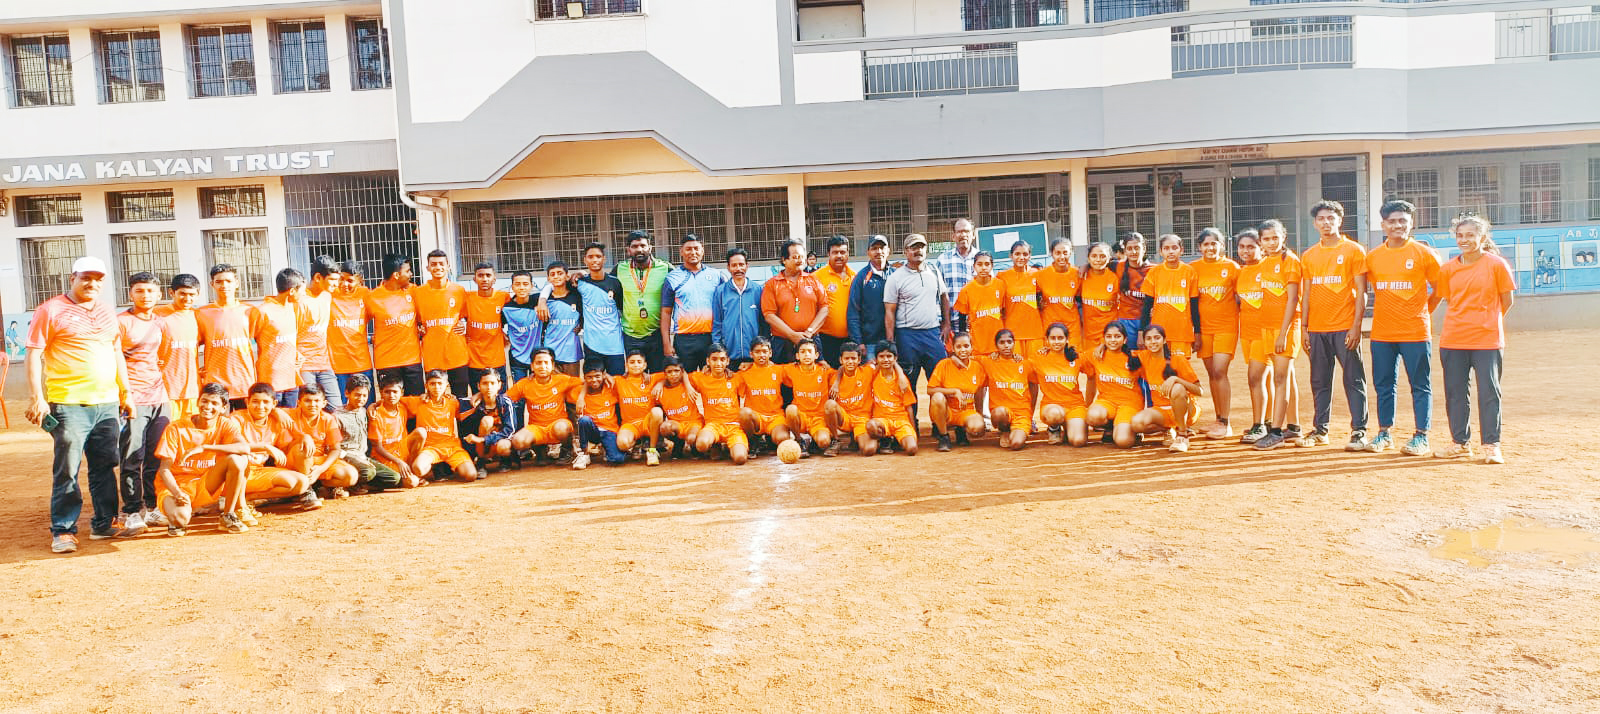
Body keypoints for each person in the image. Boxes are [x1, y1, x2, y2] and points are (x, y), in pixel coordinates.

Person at [28, 256, 130, 552]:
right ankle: (63, 530)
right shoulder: (50, 310)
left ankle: (104, 523)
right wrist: (38, 398)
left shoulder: (107, 311)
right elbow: (33, 353)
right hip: (69, 403)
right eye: (86, 277)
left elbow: (116, 351)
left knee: (105, 465)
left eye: (98, 279)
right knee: (67, 468)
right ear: (73, 278)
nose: (92, 283)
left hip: (107, 402)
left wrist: (126, 392)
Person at [1364, 199, 1442, 456]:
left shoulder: (1424, 253)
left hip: (1415, 332)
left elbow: (1440, 289)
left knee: (1420, 385)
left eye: (1402, 221)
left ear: (1411, 223)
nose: (1397, 225)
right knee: (1384, 385)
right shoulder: (1373, 257)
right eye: (1392, 221)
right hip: (1382, 333)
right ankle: (1384, 433)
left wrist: (1423, 311)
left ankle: (1421, 436)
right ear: (1383, 225)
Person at [1434, 214, 1514, 464]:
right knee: (1456, 393)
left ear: (1482, 237)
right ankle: (1460, 443)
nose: (1464, 240)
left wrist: (1487, 321)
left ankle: (1491, 446)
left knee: (1489, 392)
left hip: (1487, 341)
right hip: (1453, 339)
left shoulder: (1496, 265)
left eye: (1470, 235)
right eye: (1460, 235)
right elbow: (1450, 299)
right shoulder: (1448, 269)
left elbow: (1507, 300)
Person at [1298, 200, 1369, 450]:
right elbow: (1306, 294)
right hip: (1317, 329)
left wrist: (1356, 326)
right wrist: (1304, 328)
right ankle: (1320, 430)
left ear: (1340, 219)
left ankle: (1359, 431)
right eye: (1321, 219)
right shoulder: (1309, 255)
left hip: (1344, 327)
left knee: (1353, 379)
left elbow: (1362, 292)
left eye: (1331, 218)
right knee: (1319, 381)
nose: (1326, 222)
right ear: (1315, 223)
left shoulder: (1354, 250)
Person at [153, 382, 252, 536]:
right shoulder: (176, 428)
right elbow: (164, 469)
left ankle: (228, 514)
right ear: (198, 402)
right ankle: (175, 514)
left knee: (238, 460)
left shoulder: (225, 424)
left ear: (223, 408)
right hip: (177, 485)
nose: (208, 406)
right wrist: (177, 492)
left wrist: (205, 448)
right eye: (204, 401)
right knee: (180, 519)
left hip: (205, 482)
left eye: (214, 403)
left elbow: (244, 448)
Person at [116, 271, 172, 537]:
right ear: (130, 293)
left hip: (159, 398)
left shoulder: (161, 323)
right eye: (139, 290)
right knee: (131, 457)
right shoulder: (121, 323)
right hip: (133, 400)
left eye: (150, 291)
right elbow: (114, 360)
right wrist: (124, 394)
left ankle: (151, 507)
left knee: (155, 457)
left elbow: (163, 357)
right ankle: (131, 512)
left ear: (159, 294)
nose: (145, 295)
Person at [883, 233, 951, 432]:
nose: (918, 251)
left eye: (921, 247)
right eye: (913, 247)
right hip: (907, 335)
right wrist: (890, 342)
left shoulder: (934, 271)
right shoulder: (896, 278)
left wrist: (946, 323)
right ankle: (911, 427)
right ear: (906, 251)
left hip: (932, 333)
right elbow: (889, 311)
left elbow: (944, 297)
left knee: (939, 381)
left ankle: (940, 428)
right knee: (908, 384)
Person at [1249, 220, 1305, 451]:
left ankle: (1276, 432)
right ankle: (1294, 426)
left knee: (1280, 379)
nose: (1271, 242)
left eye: (1275, 238)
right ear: (1260, 242)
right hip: (1267, 327)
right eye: (1266, 239)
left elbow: (1292, 300)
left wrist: (1283, 333)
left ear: (1283, 237)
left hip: (1285, 329)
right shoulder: (1264, 263)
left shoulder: (1290, 261)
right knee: (1287, 377)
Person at [230, 382, 319, 516]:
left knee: (302, 481)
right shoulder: (236, 418)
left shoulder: (275, 420)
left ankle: (250, 498)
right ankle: (234, 497)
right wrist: (265, 447)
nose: (260, 406)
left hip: (259, 471)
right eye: (255, 402)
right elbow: (234, 446)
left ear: (274, 404)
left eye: (266, 402)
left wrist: (305, 437)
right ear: (247, 402)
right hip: (239, 473)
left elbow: (292, 441)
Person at [1192, 229, 1240, 439]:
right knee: (1212, 374)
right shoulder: (1194, 269)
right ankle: (1218, 418)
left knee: (1220, 371)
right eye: (1206, 244)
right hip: (1204, 330)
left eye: (1214, 243)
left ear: (1222, 245)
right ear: (1199, 247)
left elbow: (1243, 295)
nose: (1210, 248)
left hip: (1226, 327)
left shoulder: (1232, 267)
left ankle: (1226, 423)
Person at [196, 263, 263, 404]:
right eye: (219, 282)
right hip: (216, 384)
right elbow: (192, 345)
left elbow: (266, 341)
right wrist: (196, 368)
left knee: (243, 419)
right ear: (212, 284)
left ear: (237, 283)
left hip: (244, 383)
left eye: (228, 281)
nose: (224, 285)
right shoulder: (202, 313)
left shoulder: (250, 311)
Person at [1131, 325, 1204, 453]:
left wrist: (1176, 379)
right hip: (1162, 411)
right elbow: (1120, 351)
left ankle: (1182, 436)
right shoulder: (1144, 357)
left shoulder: (1177, 359)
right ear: (1144, 342)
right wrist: (1102, 345)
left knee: (1177, 388)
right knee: (1136, 424)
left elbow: (1200, 391)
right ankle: (1169, 429)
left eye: (1157, 338)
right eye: (1148, 339)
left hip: (1186, 410)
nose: (1153, 342)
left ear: (1164, 340)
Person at [1234, 229, 1275, 444]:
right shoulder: (1240, 272)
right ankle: (1268, 422)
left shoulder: (1268, 267)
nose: (1246, 251)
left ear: (1261, 247)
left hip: (1265, 332)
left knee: (1255, 378)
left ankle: (1258, 425)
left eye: (1251, 246)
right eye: (1242, 247)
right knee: (1264, 379)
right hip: (1247, 332)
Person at [661, 235, 725, 372]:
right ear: (681, 251)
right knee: (685, 378)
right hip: (684, 339)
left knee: (710, 378)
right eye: (688, 249)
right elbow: (666, 312)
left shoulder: (717, 276)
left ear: (703, 250)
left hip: (711, 337)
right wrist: (667, 344)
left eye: (696, 248)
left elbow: (725, 308)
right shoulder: (672, 278)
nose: (693, 252)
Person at [400, 370, 478, 481]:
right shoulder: (419, 402)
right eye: (432, 384)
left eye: (440, 383)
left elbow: (475, 401)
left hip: (451, 447)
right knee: (418, 468)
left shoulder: (453, 402)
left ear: (446, 385)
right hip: (430, 449)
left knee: (471, 475)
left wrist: (479, 394)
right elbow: (393, 399)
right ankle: (432, 467)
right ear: (426, 385)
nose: (436, 387)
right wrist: (375, 405)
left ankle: (452, 467)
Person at [508, 348, 581, 464]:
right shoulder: (524, 384)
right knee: (518, 441)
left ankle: (566, 450)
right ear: (532, 366)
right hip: (536, 428)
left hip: (557, 425)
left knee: (562, 428)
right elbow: (505, 399)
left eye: (546, 363)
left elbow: (586, 383)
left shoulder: (562, 380)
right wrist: (482, 395)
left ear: (553, 366)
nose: (542, 366)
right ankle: (540, 450)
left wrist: (582, 397)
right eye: (538, 363)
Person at [761, 239, 828, 365]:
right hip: (782, 342)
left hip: (811, 340)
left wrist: (809, 332)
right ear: (784, 260)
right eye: (796, 257)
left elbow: (824, 308)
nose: (800, 260)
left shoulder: (813, 280)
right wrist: (791, 334)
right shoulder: (772, 284)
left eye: (802, 257)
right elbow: (769, 314)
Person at [286, 385, 360, 497]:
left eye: (316, 401)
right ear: (299, 402)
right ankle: (306, 492)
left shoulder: (328, 419)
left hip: (318, 460)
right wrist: (303, 437)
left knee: (351, 476)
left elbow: (335, 449)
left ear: (324, 403)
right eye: (307, 401)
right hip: (295, 460)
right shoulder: (289, 415)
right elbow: (271, 408)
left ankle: (319, 486)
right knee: (303, 448)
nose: (312, 404)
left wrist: (321, 469)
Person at [332, 374, 401, 493]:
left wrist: (374, 404)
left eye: (364, 395)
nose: (361, 398)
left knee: (394, 478)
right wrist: (355, 459)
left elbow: (386, 401)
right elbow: (333, 448)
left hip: (363, 457)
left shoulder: (364, 411)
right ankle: (342, 484)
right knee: (368, 472)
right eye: (357, 395)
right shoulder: (337, 417)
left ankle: (362, 484)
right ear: (347, 393)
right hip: (345, 458)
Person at [367, 253, 424, 395]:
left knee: (415, 404)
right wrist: (368, 338)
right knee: (390, 404)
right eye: (408, 271)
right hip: (387, 362)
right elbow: (359, 323)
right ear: (396, 275)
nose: (411, 274)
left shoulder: (414, 291)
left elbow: (425, 316)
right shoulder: (373, 297)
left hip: (412, 360)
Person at [616, 230, 672, 372]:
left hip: (656, 334)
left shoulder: (665, 268)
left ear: (650, 248)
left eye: (643, 245)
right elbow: (603, 283)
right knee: (635, 377)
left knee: (657, 377)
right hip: (630, 335)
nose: (639, 249)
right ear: (628, 250)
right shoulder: (619, 269)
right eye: (634, 246)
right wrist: (582, 275)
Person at [416, 249, 471, 396]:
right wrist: (419, 329)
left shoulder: (459, 291)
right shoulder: (418, 293)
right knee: (435, 399)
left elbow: (467, 317)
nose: (438, 267)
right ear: (427, 267)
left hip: (457, 355)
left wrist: (465, 325)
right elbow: (415, 321)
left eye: (441, 264)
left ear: (448, 266)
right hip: (432, 357)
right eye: (433, 264)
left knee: (461, 399)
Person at [1083, 322, 1143, 449]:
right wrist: (1047, 350)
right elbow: (1069, 358)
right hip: (1107, 402)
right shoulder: (1096, 355)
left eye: (1117, 336)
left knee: (1123, 441)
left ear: (1125, 339)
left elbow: (1157, 360)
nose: (1113, 340)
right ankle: (1110, 427)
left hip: (1129, 404)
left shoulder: (1135, 357)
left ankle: (1131, 429)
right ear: (1104, 339)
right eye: (1109, 336)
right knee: (1092, 416)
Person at [1140, 235, 1200, 358]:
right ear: (1161, 251)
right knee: (1160, 367)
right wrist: (1141, 332)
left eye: (1174, 248)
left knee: (1179, 368)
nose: (1171, 251)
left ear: (1181, 250)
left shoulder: (1189, 272)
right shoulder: (1154, 272)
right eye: (1166, 248)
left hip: (1182, 333)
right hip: (1158, 334)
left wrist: (1197, 333)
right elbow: (1146, 306)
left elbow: (1194, 307)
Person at [1030, 322, 1089, 447]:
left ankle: (1069, 428)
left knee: (1078, 441)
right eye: (1053, 338)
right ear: (1047, 340)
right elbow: (1017, 367)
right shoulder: (1038, 358)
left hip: (1075, 405)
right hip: (1052, 406)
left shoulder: (1076, 357)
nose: (1056, 342)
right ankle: (1054, 428)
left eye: (1060, 338)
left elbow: (1093, 372)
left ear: (1067, 339)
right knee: (1055, 414)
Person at [572, 242, 627, 375]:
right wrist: (542, 300)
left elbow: (622, 309)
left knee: (616, 382)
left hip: (614, 345)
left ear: (604, 259)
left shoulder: (615, 282)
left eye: (598, 256)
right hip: (592, 345)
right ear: (585, 260)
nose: (594, 260)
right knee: (594, 382)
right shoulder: (580, 283)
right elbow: (555, 285)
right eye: (590, 257)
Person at [927, 332, 987, 452]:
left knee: (977, 429)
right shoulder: (944, 364)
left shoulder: (977, 367)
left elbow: (979, 391)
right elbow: (930, 389)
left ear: (972, 347)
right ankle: (943, 436)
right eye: (958, 347)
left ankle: (961, 430)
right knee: (937, 397)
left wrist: (979, 414)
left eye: (966, 346)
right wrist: (954, 391)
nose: (962, 350)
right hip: (947, 411)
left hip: (966, 411)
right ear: (953, 349)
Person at [689, 344, 749, 464]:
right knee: (701, 445)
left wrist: (750, 364)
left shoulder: (736, 377)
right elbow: (681, 375)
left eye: (722, 359)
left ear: (727, 361)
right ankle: (715, 444)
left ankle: (731, 445)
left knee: (740, 458)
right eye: (714, 359)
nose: (718, 363)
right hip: (713, 425)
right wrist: (661, 383)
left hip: (734, 426)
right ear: (708, 361)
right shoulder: (701, 378)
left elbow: (756, 371)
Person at [257, 268, 308, 405]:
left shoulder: (293, 308)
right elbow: (248, 341)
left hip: (291, 379)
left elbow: (286, 339)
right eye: (302, 291)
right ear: (292, 291)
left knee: (290, 416)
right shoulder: (263, 311)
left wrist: (297, 354)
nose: (304, 294)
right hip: (272, 380)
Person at [859, 342, 919, 456]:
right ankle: (884, 439)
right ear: (876, 358)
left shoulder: (902, 381)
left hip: (900, 420)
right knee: (868, 448)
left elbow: (909, 407)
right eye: (881, 356)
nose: (885, 359)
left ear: (895, 358)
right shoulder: (873, 374)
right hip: (881, 421)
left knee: (912, 449)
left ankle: (894, 439)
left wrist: (913, 431)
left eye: (889, 356)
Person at [155, 273, 201, 421]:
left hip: (193, 389)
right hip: (166, 389)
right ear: (171, 293)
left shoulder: (199, 316)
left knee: (191, 430)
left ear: (198, 294)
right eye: (182, 294)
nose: (187, 298)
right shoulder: (157, 315)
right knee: (168, 430)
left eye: (191, 294)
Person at [980, 329, 1034, 451]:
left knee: (1016, 444)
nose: (1006, 345)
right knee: (998, 413)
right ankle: (1004, 430)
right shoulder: (989, 362)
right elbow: (966, 357)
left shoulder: (1024, 363)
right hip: (1002, 412)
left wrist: (1031, 410)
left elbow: (1034, 384)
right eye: (1002, 342)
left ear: (1014, 343)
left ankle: (1017, 430)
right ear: (996, 345)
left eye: (1009, 342)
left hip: (1022, 413)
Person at [711, 247, 766, 363]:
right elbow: (717, 323)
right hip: (729, 354)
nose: (738, 269)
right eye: (734, 265)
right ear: (728, 267)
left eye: (741, 265)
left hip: (754, 355)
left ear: (747, 266)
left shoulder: (758, 290)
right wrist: (718, 349)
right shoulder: (721, 291)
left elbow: (763, 323)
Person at [368, 375, 423, 489]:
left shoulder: (402, 407)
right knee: (412, 482)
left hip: (402, 451)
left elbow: (427, 399)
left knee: (421, 432)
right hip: (386, 457)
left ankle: (410, 470)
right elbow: (378, 447)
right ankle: (376, 483)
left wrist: (448, 396)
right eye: (387, 392)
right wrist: (398, 462)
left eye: (395, 392)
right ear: (381, 392)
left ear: (401, 393)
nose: (391, 395)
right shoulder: (375, 415)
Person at [299, 256, 340, 406]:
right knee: (309, 408)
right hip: (304, 366)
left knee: (335, 408)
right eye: (332, 280)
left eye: (337, 280)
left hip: (324, 364)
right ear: (317, 277)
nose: (337, 284)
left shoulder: (327, 296)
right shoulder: (299, 300)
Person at [737, 337, 791, 450]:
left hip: (775, 417)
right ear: (751, 354)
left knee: (782, 439)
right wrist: (707, 369)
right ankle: (753, 440)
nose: (761, 355)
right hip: (756, 418)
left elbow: (800, 369)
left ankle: (770, 437)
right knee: (744, 413)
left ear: (770, 353)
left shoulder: (779, 370)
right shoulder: (744, 373)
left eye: (764, 352)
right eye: (757, 352)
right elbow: (726, 379)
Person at [783, 338, 834, 456]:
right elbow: (770, 368)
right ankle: (799, 440)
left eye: (810, 351)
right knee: (790, 409)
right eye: (802, 352)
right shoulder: (790, 369)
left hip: (818, 418)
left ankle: (815, 441)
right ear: (797, 356)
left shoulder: (825, 371)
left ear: (816, 355)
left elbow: (843, 373)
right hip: (801, 416)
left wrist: (835, 384)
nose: (806, 354)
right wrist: (750, 363)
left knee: (824, 442)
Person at [459, 369, 517, 472]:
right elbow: (449, 404)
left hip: (497, 442)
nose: (489, 387)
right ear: (478, 386)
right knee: (487, 421)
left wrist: (484, 439)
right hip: (478, 446)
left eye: (492, 383)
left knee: (503, 446)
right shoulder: (469, 404)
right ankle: (481, 462)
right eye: (485, 383)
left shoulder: (506, 403)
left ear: (499, 385)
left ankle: (504, 460)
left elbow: (510, 430)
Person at [330, 261, 374, 394]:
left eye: (350, 281)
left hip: (361, 364)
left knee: (366, 404)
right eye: (341, 279)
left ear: (360, 281)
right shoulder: (329, 295)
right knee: (342, 405)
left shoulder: (366, 295)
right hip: (337, 365)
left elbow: (382, 315)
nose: (344, 284)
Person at [811, 236, 856, 366]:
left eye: (842, 252)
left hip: (850, 340)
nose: (839, 256)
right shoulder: (816, 277)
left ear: (848, 253)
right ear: (828, 254)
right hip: (826, 340)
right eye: (835, 252)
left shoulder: (855, 276)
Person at [823, 341, 873, 457]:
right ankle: (835, 440)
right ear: (841, 360)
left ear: (859, 360)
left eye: (853, 358)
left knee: (868, 450)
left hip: (861, 419)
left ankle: (856, 437)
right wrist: (837, 382)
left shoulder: (868, 372)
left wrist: (900, 375)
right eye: (846, 358)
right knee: (830, 404)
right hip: (844, 417)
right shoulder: (833, 376)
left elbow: (886, 364)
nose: (850, 361)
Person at [573, 364, 628, 469]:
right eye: (589, 377)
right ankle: (584, 454)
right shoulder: (579, 392)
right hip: (592, 430)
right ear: (584, 378)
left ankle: (606, 448)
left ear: (603, 375)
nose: (594, 380)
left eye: (597, 376)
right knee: (584, 420)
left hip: (609, 430)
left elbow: (627, 380)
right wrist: (581, 397)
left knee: (617, 459)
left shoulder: (611, 387)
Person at [464, 261, 509, 388]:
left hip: (496, 360)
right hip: (474, 360)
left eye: (488, 275)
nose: (484, 279)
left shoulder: (504, 297)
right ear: (474, 279)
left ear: (494, 279)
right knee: (477, 398)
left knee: (500, 397)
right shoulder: (467, 298)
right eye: (480, 275)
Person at [650, 356, 702, 461]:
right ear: (665, 374)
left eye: (676, 371)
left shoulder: (689, 383)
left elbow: (706, 375)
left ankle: (694, 447)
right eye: (669, 372)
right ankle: (678, 443)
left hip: (694, 422)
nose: (673, 374)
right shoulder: (660, 390)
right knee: (664, 427)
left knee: (691, 438)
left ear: (681, 372)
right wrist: (660, 383)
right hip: (676, 424)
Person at [997, 242, 1045, 357]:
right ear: (1011, 256)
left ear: (1030, 256)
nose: (1021, 257)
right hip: (1012, 334)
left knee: (1036, 366)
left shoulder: (1038, 274)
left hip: (1035, 332)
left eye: (1025, 254)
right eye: (1017, 254)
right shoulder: (1002, 276)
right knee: (1016, 367)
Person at [847, 235, 892, 357]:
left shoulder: (895, 275)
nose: (879, 251)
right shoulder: (861, 278)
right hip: (870, 344)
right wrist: (859, 342)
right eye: (874, 248)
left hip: (893, 342)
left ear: (888, 251)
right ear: (868, 252)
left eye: (882, 248)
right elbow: (853, 312)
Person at [612, 352, 660, 465]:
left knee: (657, 412)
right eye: (632, 362)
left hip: (647, 422)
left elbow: (675, 374)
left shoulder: (652, 379)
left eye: (639, 362)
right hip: (630, 424)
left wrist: (660, 384)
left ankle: (652, 450)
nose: (636, 365)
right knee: (623, 444)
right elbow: (600, 378)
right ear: (626, 365)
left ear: (645, 365)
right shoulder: (618, 380)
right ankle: (636, 443)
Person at [1036, 238, 1083, 352]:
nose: (1062, 257)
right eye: (1057, 253)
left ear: (1071, 253)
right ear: (1052, 254)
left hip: (1072, 326)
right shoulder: (1041, 275)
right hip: (1050, 325)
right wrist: (1039, 304)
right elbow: (1033, 296)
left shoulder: (1077, 273)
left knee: (1074, 357)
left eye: (1065, 252)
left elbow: (1082, 298)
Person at [934, 218, 980, 336]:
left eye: (967, 231)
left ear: (973, 235)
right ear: (953, 236)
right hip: (950, 327)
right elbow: (937, 295)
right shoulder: (943, 260)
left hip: (977, 324)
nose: (963, 235)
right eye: (959, 232)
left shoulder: (982, 260)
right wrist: (945, 323)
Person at [953, 251, 1004, 354]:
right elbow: (962, 320)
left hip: (998, 345)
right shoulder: (966, 289)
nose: (983, 268)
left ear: (992, 266)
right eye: (979, 264)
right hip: (977, 346)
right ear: (974, 266)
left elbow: (1005, 312)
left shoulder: (1000, 285)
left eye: (987, 264)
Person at [541, 261, 584, 375]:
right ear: (548, 278)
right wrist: (541, 301)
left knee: (573, 384)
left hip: (571, 352)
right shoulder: (544, 300)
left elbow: (586, 313)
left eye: (560, 273)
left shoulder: (577, 296)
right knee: (553, 385)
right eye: (552, 274)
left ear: (567, 276)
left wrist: (581, 324)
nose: (556, 276)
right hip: (550, 351)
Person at [1112, 232, 1153, 345]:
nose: (1133, 252)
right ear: (1125, 251)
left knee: (1148, 353)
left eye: (1137, 248)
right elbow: (1098, 264)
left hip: (1148, 320)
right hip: (1126, 320)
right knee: (1129, 354)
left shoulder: (1154, 270)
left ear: (1144, 249)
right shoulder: (1117, 266)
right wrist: (1085, 266)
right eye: (1129, 249)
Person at [1078, 242, 1119, 350]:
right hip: (1087, 335)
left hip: (1109, 336)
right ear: (1088, 258)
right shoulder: (1081, 276)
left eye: (1102, 256)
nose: (1098, 259)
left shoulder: (1115, 278)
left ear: (1109, 258)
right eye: (1094, 256)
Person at [503, 270, 541, 384]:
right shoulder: (506, 308)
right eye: (517, 284)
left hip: (537, 356)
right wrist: (504, 336)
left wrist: (542, 303)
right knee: (520, 391)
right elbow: (497, 326)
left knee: (538, 390)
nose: (521, 288)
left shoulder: (539, 301)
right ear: (512, 287)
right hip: (517, 357)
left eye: (525, 284)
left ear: (531, 286)